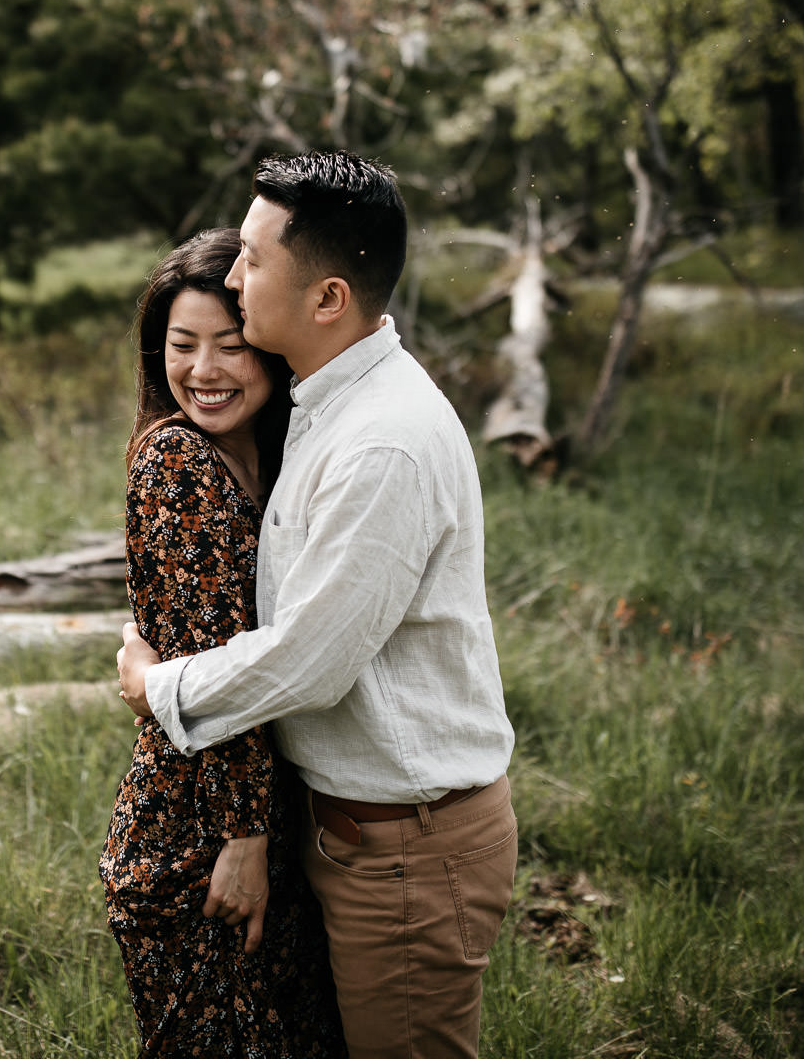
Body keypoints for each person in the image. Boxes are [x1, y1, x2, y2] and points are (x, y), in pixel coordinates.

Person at [116, 152, 518, 1059]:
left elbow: (310, 659)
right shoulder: (322, 404)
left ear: (328, 297)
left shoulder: (382, 442)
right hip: (350, 838)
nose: (231, 276)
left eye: (253, 260)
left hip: (407, 853)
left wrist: (160, 687)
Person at [99, 228, 346, 1059]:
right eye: (181, 345)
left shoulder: (271, 457)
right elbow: (215, 673)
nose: (203, 371)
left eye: (230, 345)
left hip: (261, 824)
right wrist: (242, 840)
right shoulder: (177, 461)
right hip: (196, 841)